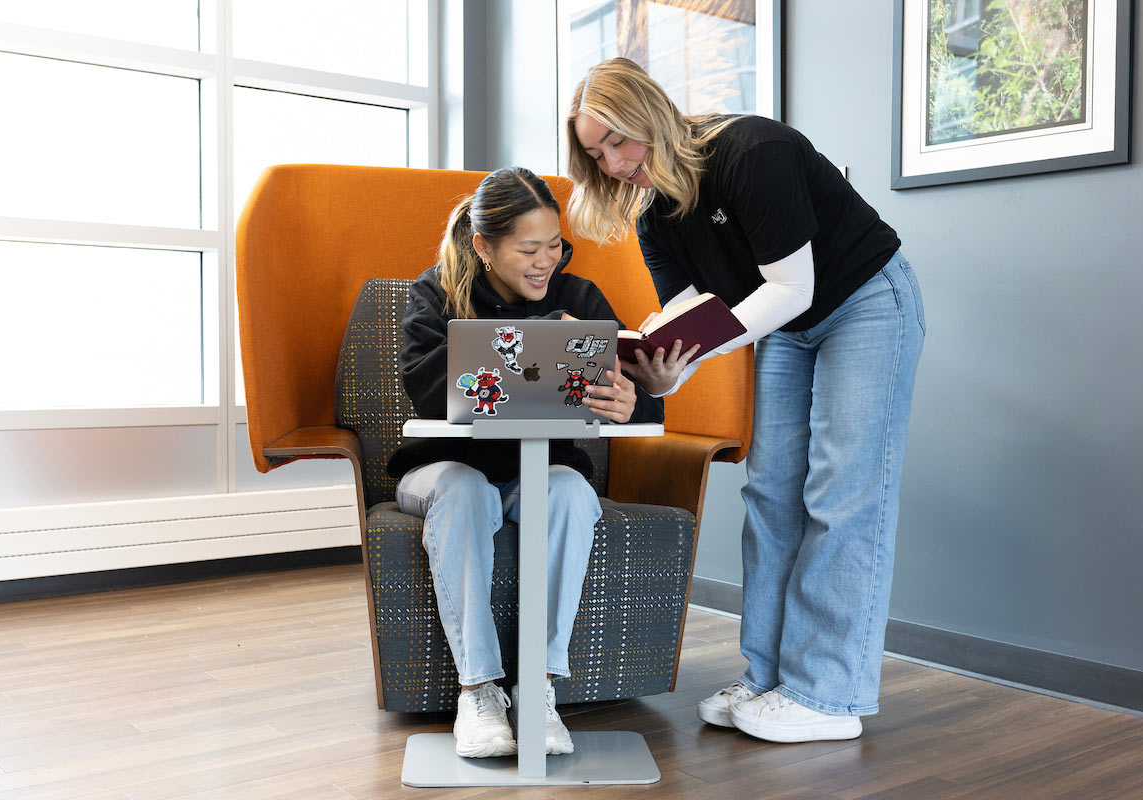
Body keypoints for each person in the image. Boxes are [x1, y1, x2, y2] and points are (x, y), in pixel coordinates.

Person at [565, 58, 924, 744]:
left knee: (844, 492)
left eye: (618, 140)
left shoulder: (751, 153)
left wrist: (703, 346)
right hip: (787, 325)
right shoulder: (655, 220)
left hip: (863, 302)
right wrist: (667, 373)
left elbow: (793, 285)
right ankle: (767, 677)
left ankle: (828, 692)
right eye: (594, 152)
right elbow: (690, 319)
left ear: (651, 114)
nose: (612, 163)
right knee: (770, 491)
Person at [386, 166, 664, 758]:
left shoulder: (579, 297)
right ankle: (478, 689)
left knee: (568, 492)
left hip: (539, 470)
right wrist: (534, 331)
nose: (547, 262)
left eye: (555, 246)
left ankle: (537, 688)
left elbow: (623, 394)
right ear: (484, 246)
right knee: (467, 490)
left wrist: (633, 401)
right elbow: (426, 387)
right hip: (442, 470)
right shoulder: (435, 293)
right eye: (529, 249)